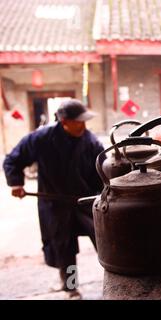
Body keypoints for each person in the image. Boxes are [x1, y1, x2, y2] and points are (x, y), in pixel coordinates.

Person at [3, 99, 105, 299]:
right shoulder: (41, 138)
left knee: (105, 239)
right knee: (64, 246)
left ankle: (118, 277)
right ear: (64, 121)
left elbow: (103, 166)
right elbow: (13, 160)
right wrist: (16, 183)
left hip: (85, 200)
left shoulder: (90, 141)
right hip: (55, 203)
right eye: (78, 121)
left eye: (84, 121)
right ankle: (71, 287)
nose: (83, 126)